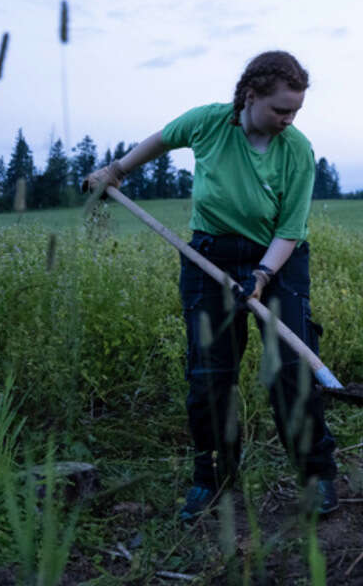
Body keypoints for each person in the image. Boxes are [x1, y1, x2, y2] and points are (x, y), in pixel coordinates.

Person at [84, 50, 338, 522]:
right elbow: (161, 140)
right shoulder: (207, 123)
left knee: (290, 367)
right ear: (250, 95)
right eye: (280, 109)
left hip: (278, 261)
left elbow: (290, 228)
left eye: (296, 111)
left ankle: (316, 476)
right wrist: (117, 171)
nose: (289, 119)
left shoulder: (297, 150)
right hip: (208, 257)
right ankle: (212, 480)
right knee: (209, 377)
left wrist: (261, 277)